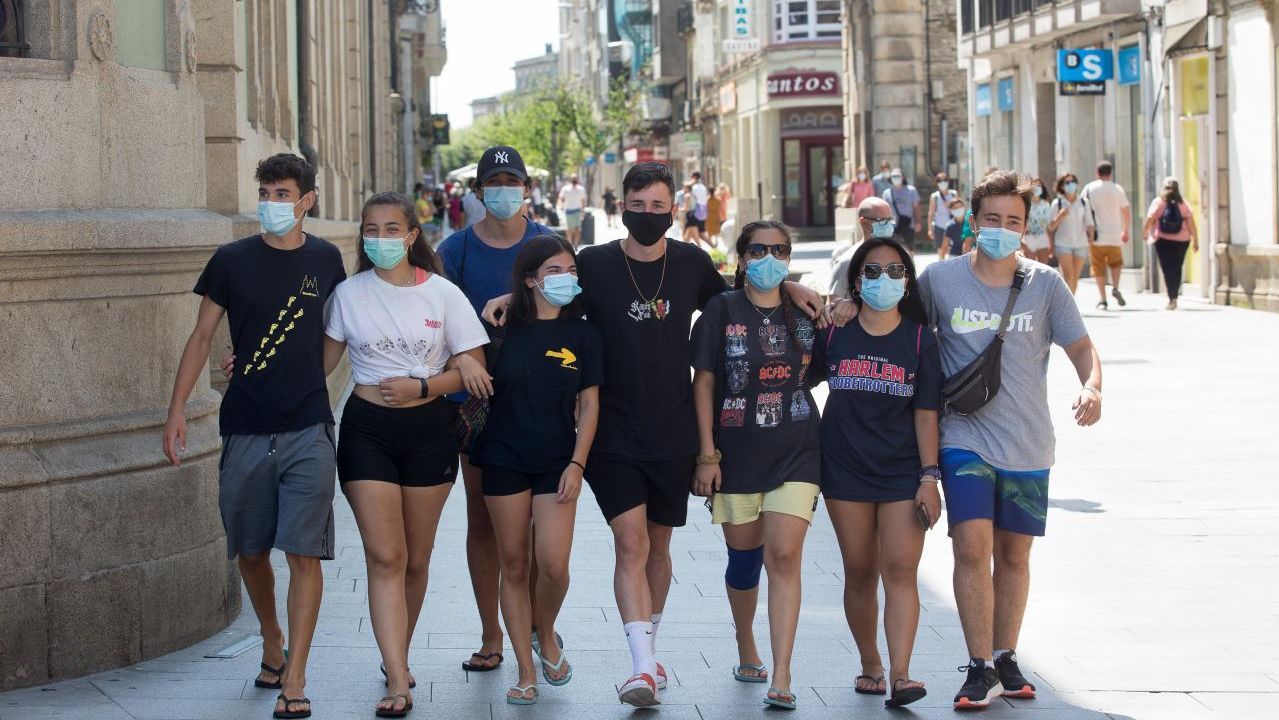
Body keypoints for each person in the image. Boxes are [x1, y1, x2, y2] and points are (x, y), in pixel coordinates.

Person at [480, 162, 823, 707]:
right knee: (630, 541)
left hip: (673, 428)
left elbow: (745, 289)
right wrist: (506, 301)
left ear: (673, 211)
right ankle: (641, 667)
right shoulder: (593, 263)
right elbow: (550, 293)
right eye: (637, 206)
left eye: (658, 207)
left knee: (659, 546)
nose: (647, 216)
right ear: (622, 206)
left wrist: (797, 282)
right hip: (612, 429)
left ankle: (649, 648)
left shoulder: (689, 263)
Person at [163, 154, 344, 720]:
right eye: (265, 190)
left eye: (283, 192)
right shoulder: (231, 260)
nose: (272, 201)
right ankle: (271, 637)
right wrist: (176, 412)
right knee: (250, 551)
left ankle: (295, 676)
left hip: (309, 427)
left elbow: (341, 328)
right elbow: (201, 338)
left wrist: (312, 374)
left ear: (307, 200)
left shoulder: (326, 259)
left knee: (304, 552)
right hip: (243, 426)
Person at [918, 171, 1102, 710]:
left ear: (1027, 227)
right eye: (992, 219)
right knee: (972, 545)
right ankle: (977, 667)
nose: (1001, 229)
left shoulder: (1045, 284)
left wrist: (1092, 387)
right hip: (963, 437)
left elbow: (1084, 349)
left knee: (1015, 556)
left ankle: (1005, 656)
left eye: (1013, 222)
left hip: (1028, 444)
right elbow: (902, 330)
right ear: (973, 221)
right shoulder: (940, 280)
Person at [323, 192, 489, 717]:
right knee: (386, 556)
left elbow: (473, 369)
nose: (380, 240)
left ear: (412, 236)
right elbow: (317, 366)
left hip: (429, 431)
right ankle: (397, 676)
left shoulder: (443, 295)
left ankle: (400, 651)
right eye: (371, 230)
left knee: (416, 560)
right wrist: (257, 362)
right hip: (367, 430)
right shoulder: (348, 295)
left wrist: (423, 386)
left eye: (391, 229)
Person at [691, 221, 821, 711]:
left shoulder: (806, 309)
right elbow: (703, 384)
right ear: (741, 257)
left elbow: (833, 356)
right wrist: (706, 454)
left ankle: (782, 672)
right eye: (759, 250)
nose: (770, 258)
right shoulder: (720, 311)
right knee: (744, 562)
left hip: (799, 448)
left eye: (780, 250)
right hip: (736, 452)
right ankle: (747, 643)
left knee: (784, 556)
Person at [436, 146, 554, 675]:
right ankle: (492, 635)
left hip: (539, 407)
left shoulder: (549, 246)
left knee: (530, 528)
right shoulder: (455, 250)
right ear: (478, 192)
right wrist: (467, 358)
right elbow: (435, 320)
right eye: (494, 182)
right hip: (477, 408)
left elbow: (574, 316)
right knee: (483, 520)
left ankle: (530, 623)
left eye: (513, 180)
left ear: (526, 188)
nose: (504, 190)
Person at [470, 234, 601, 705]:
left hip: (556, 462)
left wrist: (577, 463)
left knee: (554, 565)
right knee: (514, 565)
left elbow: (590, 404)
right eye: (553, 272)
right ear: (530, 279)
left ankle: (544, 633)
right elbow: (461, 364)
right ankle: (526, 669)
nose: (565, 280)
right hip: (502, 458)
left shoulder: (584, 333)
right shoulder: (499, 330)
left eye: (570, 271)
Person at [814, 235, 941, 709]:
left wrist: (930, 476)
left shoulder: (919, 338)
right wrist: (824, 309)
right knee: (860, 571)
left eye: (893, 272)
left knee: (901, 570)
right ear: (856, 280)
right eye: (871, 271)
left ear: (907, 281)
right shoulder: (833, 331)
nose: (883, 280)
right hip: (843, 469)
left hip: (902, 473)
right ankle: (871, 663)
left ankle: (903, 674)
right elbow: (796, 374)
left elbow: (927, 412)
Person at [1142, 177, 1199, 310]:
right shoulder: (1183, 203)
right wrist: (1195, 240)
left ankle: (1171, 298)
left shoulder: (1158, 202)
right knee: (1177, 268)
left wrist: (1145, 233)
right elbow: (1191, 223)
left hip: (1163, 240)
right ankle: (1174, 296)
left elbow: (1150, 219)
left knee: (1167, 269)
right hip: (1182, 240)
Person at [1081, 161, 1131, 310]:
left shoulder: (1090, 188)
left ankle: (1103, 299)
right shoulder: (1117, 189)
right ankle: (1115, 287)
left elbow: (1082, 207)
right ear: (1111, 173)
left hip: (1096, 236)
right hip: (1115, 235)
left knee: (1098, 267)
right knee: (1116, 263)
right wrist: (1125, 230)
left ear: (1097, 172)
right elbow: (1126, 210)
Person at [830, 197, 896, 299]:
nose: (888, 225)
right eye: (882, 220)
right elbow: (833, 304)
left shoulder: (898, 255)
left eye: (890, 219)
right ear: (863, 222)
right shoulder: (848, 261)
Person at [1046, 173, 1093, 294]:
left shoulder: (1084, 202)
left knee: (1075, 276)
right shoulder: (1058, 203)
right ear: (1062, 186)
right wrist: (1060, 216)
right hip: (1063, 243)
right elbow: (1051, 226)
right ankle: (1067, 305)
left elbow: (1089, 222)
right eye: (1067, 182)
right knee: (1069, 274)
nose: (1070, 184)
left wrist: (1091, 240)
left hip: (1081, 243)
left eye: (1072, 181)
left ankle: (1070, 302)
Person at [882, 168, 921, 242]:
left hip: (908, 225)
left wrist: (918, 222)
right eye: (893, 176)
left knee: (908, 250)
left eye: (898, 176)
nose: (895, 178)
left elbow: (917, 208)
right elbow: (884, 210)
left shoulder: (911, 190)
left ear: (903, 177)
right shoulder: (886, 193)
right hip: (892, 226)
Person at [1021, 178, 1055, 264]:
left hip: (1043, 237)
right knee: (1029, 267)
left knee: (1043, 267)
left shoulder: (1046, 204)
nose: (1036, 188)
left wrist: (1051, 243)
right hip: (1028, 238)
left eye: (1039, 186)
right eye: (1034, 186)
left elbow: (1048, 225)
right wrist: (1020, 242)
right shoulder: (1025, 204)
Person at [928, 172, 959, 255]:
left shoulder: (954, 194)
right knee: (940, 249)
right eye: (940, 181)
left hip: (952, 225)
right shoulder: (934, 196)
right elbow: (931, 213)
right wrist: (930, 229)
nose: (942, 183)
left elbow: (959, 209)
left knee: (951, 248)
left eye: (944, 180)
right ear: (937, 183)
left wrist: (950, 206)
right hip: (939, 226)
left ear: (948, 181)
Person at [558, 174, 588, 246]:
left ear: (577, 179)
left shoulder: (581, 189)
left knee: (577, 229)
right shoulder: (565, 188)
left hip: (577, 210)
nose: (574, 180)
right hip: (568, 211)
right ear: (570, 179)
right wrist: (561, 206)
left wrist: (583, 211)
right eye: (573, 178)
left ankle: (576, 244)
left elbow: (583, 200)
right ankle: (570, 244)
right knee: (569, 229)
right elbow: (561, 198)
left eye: (575, 178)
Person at [688, 171, 713, 248]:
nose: (690, 179)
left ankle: (700, 250)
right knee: (701, 234)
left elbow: (689, 194)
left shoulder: (694, 187)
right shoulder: (703, 187)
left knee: (693, 234)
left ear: (694, 177)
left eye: (691, 177)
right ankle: (713, 246)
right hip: (702, 213)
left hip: (694, 212)